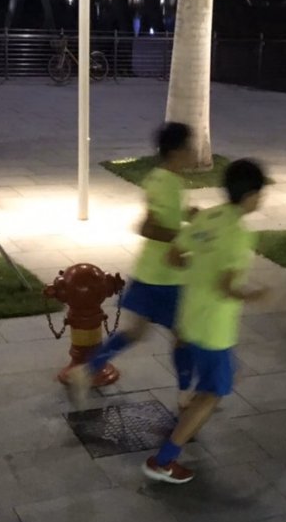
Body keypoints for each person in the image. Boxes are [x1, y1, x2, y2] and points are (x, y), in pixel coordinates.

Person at [143, 159, 268, 485]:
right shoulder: (239, 235)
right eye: (261, 192)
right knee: (213, 393)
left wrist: (199, 270)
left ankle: (188, 410)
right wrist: (256, 295)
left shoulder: (207, 217)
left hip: (189, 317)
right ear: (250, 195)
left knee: (219, 380)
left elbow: (173, 256)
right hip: (215, 330)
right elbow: (227, 287)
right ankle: (163, 461)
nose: (262, 198)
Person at [68, 122, 196, 405]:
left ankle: (86, 371)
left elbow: (167, 212)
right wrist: (185, 236)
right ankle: (186, 394)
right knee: (184, 336)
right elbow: (147, 227)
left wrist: (191, 213)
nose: (193, 151)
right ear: (177, 151)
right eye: (189, 146)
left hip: (148, 271)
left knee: (136, 332)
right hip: (167, 276)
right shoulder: (169, 183)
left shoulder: (160, 178)